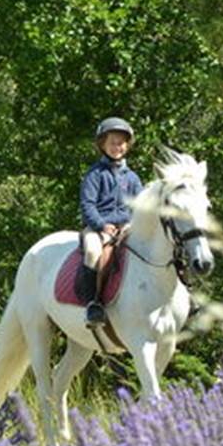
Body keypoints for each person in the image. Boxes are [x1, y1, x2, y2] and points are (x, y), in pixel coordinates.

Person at [79, 116, 143, 327]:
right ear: (103, 145)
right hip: (98, 227)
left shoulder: (132, 178)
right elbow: (87, 205)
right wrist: (101, 225)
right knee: (92, 252)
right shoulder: (95, 174)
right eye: (113, 142)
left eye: (121, 143)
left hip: (125, 228)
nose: (118, 147)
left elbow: (140, 207)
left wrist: (132, 223)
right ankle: (92, 304)